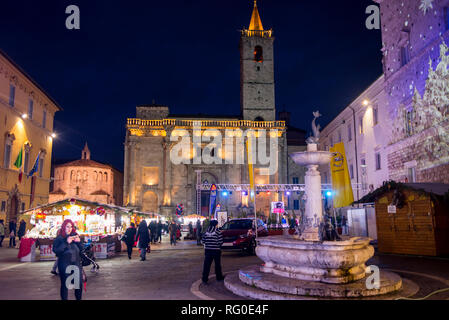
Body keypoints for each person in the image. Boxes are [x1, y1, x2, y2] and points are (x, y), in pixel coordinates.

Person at [52, 219, 84, 300]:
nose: (69, 229)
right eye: (67, 227)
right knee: (65, 285)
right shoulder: (60, 238)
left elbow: (82, 250)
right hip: (64, 264)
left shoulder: (75, 236)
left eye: (71, 227)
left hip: (76, 264)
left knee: (78, 285)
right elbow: (56, 251)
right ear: (64, 227)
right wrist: (66, 242)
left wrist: (79, 242)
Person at [201, 220, 224, 284]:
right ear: (215, 225)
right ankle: (219, 277)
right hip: (216, 250)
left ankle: (204, 279)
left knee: (206, 265)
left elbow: (203, 241)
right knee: (217, 265)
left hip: (208, 250)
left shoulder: (205, 232)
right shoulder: (218, 232)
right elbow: (220, 242)